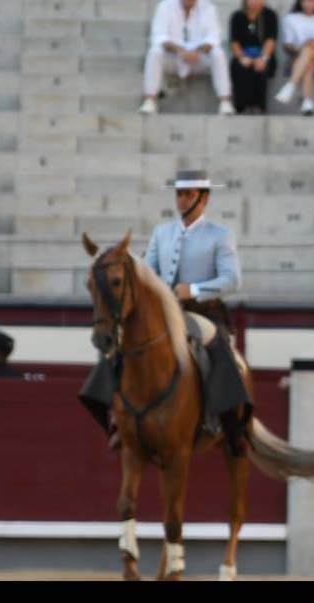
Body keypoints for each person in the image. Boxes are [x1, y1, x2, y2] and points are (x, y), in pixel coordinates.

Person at [79, 170, 248, 451]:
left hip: (202, 310)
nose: (182, 201)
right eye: (179, 195)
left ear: (204, 199)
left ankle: (229, 426)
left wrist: (193, 289)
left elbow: (232, 280)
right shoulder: (163, 232)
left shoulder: (220, 235)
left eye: (189, 195)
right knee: (120, 345)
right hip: (165, 310)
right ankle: (116, 418)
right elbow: (150, 271)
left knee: (217, 349)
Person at [140, 0, 235, 115]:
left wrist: (198, 51)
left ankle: (225, 100)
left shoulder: (208, 8)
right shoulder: (165, 6)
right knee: (155, 52)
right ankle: (150, 99)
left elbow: (214, 37)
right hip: (174, 56)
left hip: (199, 58)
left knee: (218, 53)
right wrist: (179, 50)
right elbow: (159, 36)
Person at [273, 0, 314, 115]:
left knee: (309, 51)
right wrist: (301, 48)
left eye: (312, 1)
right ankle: (308, 102)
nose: (308, 4)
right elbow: (287, 46)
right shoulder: (290, 19)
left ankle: (291, 86)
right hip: (297, 58)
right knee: (309, 62)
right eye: (305, 1)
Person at [228, 0, 279, 114]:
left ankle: (259, 106)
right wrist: (242, 57)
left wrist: (264, 58)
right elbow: (234, 42)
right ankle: (241, 106)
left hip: (264, 55)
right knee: (239, 66)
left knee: (261, 67)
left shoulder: (270, 15)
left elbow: (271, 40)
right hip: (243, 55)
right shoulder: (237, 16)